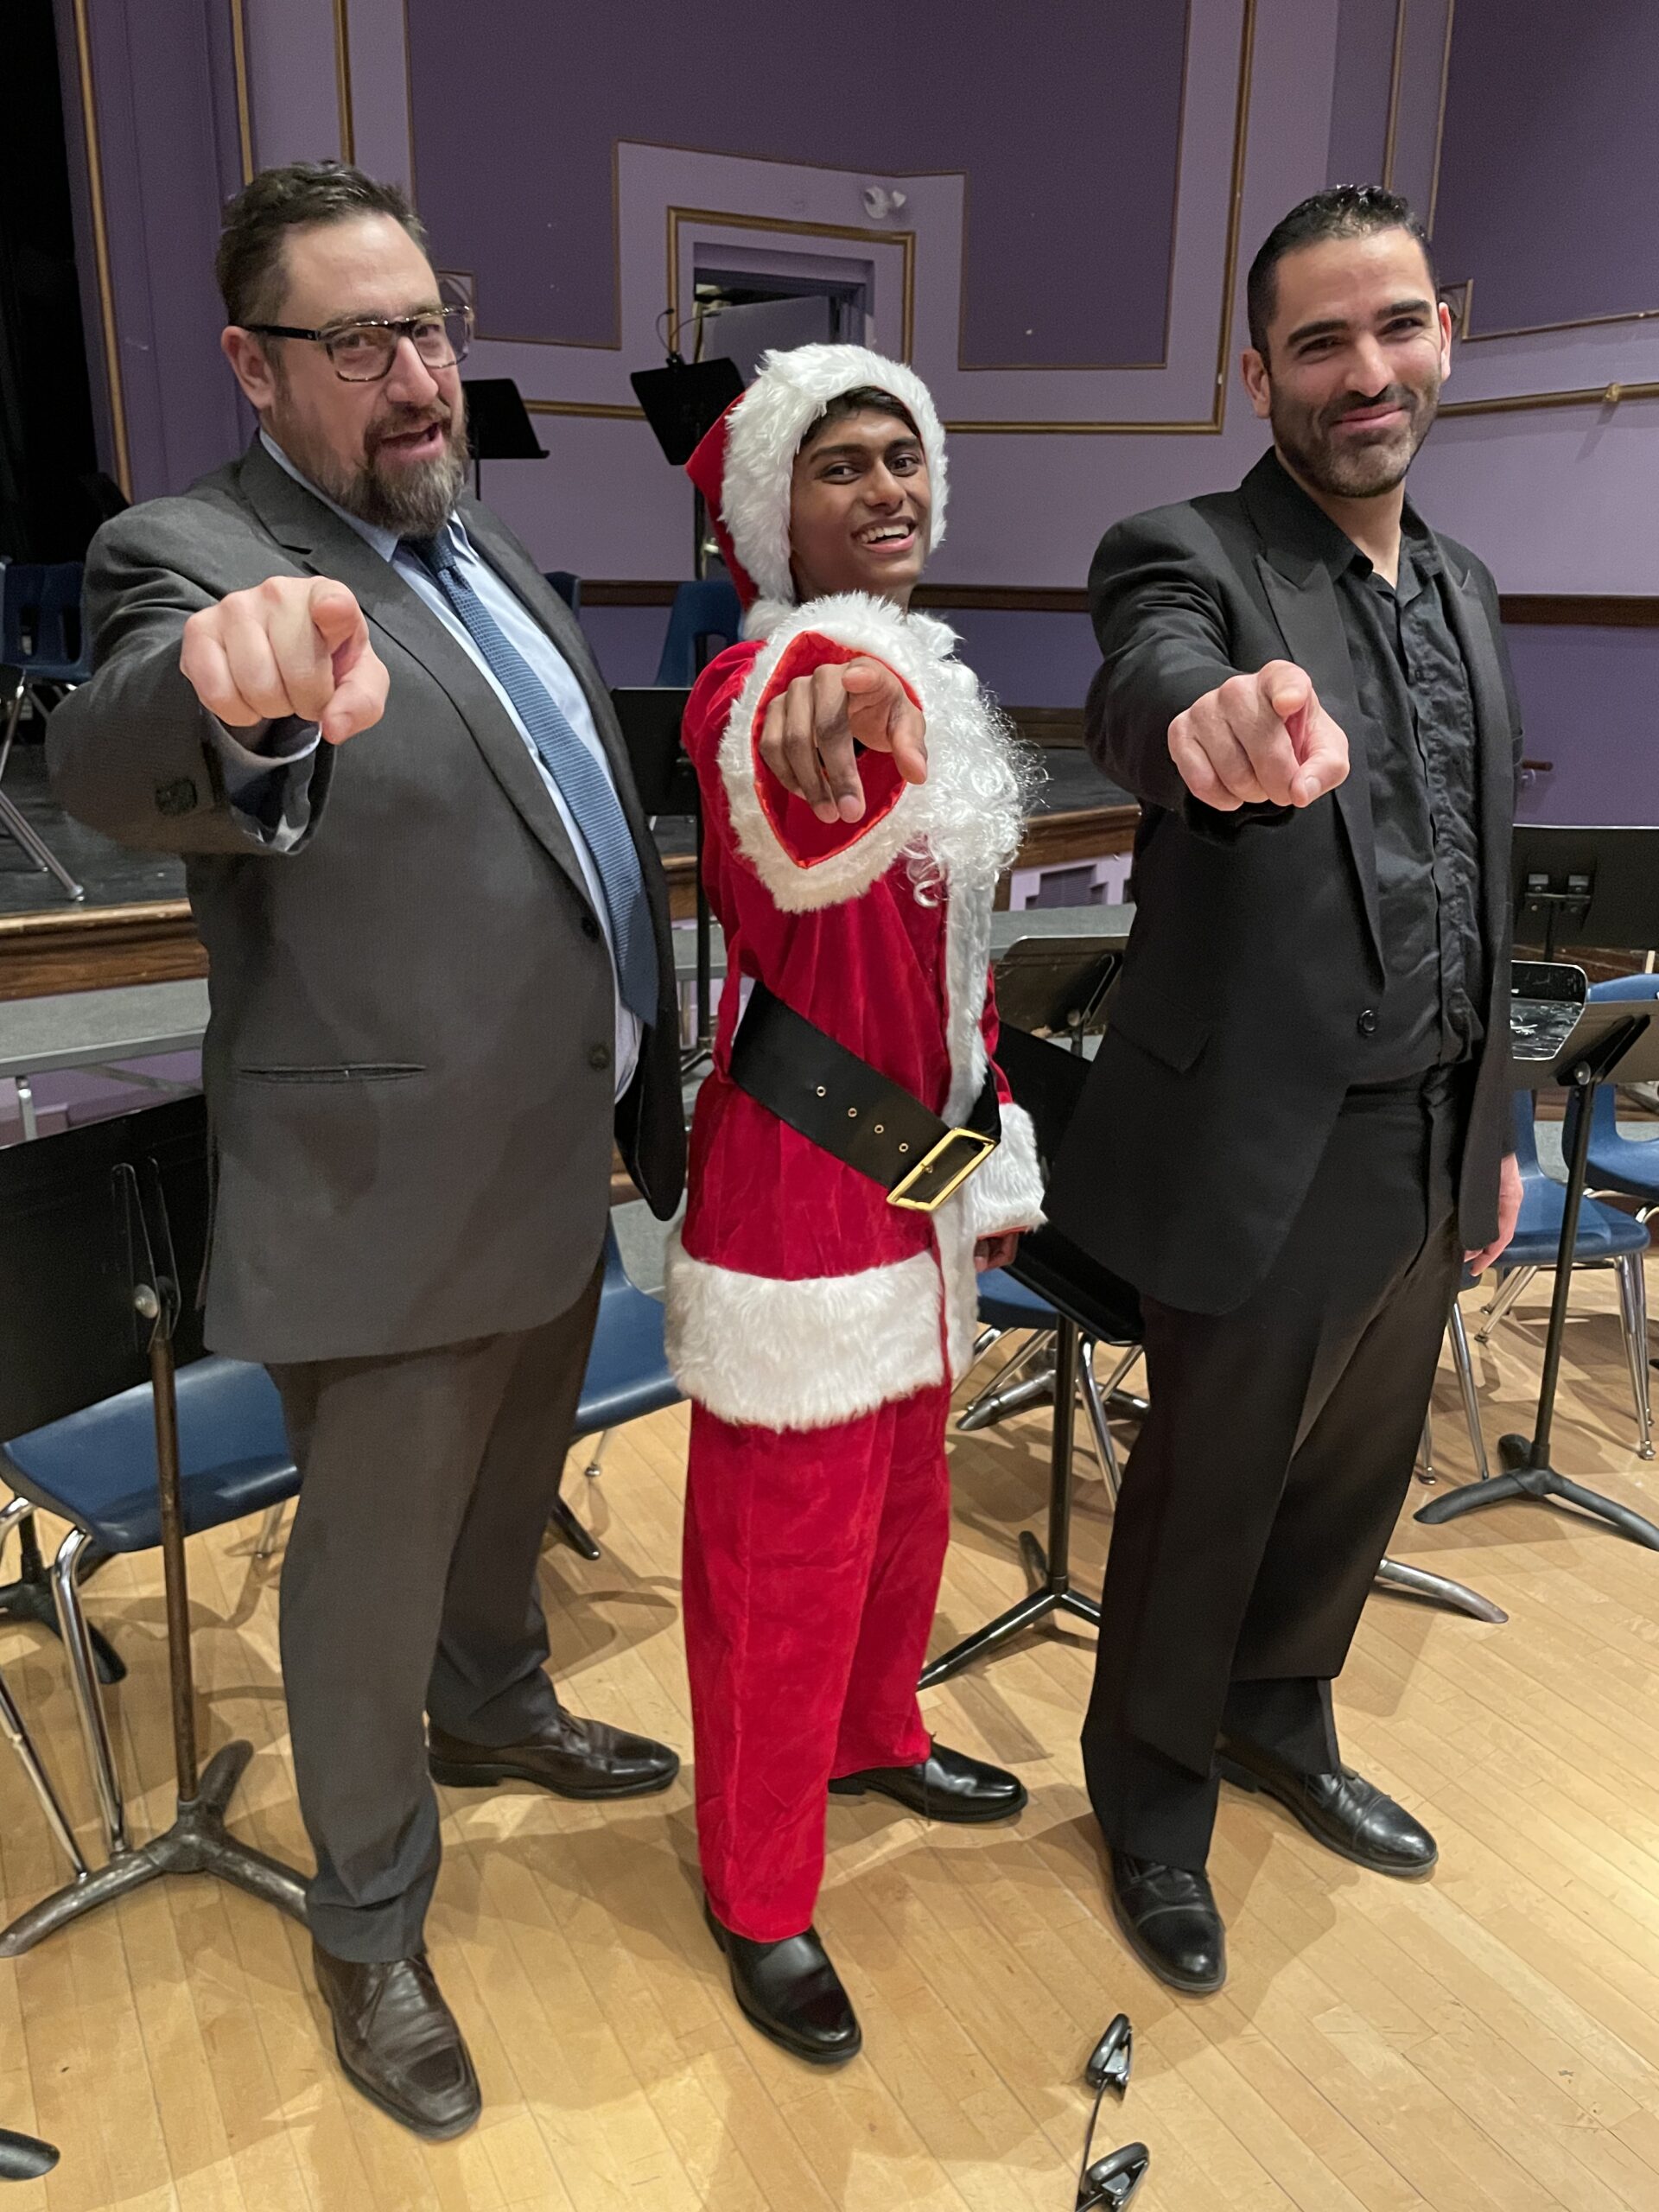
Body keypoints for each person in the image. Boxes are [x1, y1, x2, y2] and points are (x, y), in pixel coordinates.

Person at [49, 162, 685, 2138]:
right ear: (252, 363)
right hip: (388, 1183)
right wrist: (236, 707)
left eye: (427, 326)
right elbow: (130, 734)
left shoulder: (474, 537)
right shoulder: (195, 548)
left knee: (515, 1487)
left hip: (554, 1142)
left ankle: (494, 1697)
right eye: (357, 343)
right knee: (364, 1574)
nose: (414, 376)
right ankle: (368, 1914)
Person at [1044, 187, 1523, 1995]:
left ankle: (1281, 1712)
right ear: (1260, 371)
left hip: (1428, 1121)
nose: (1365, 370)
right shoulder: (1184, 547)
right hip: (1262, 1133)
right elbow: (1148, 676)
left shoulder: (1468, 583)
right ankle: (1152, 1795)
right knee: (1213, 1483)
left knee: (1354, 1470)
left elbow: (1485, 864)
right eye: (1319, 341)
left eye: (1394, 326)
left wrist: (1501, 1124)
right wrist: (1199, 726)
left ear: (1443, 337)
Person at [666, 345, 1046, 2063]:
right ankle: (757, 1884)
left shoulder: (929, 676)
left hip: (922, 1185)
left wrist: (996, 1152)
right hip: (801, 1196)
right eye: (840, 466)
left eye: (903, 456)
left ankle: (876, 1729)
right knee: (782, 1562)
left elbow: (962, 966)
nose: (885, 488)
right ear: (771, 512)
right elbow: (784, 818)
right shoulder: (763, 680)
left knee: (902, 1513)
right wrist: (826, 713)